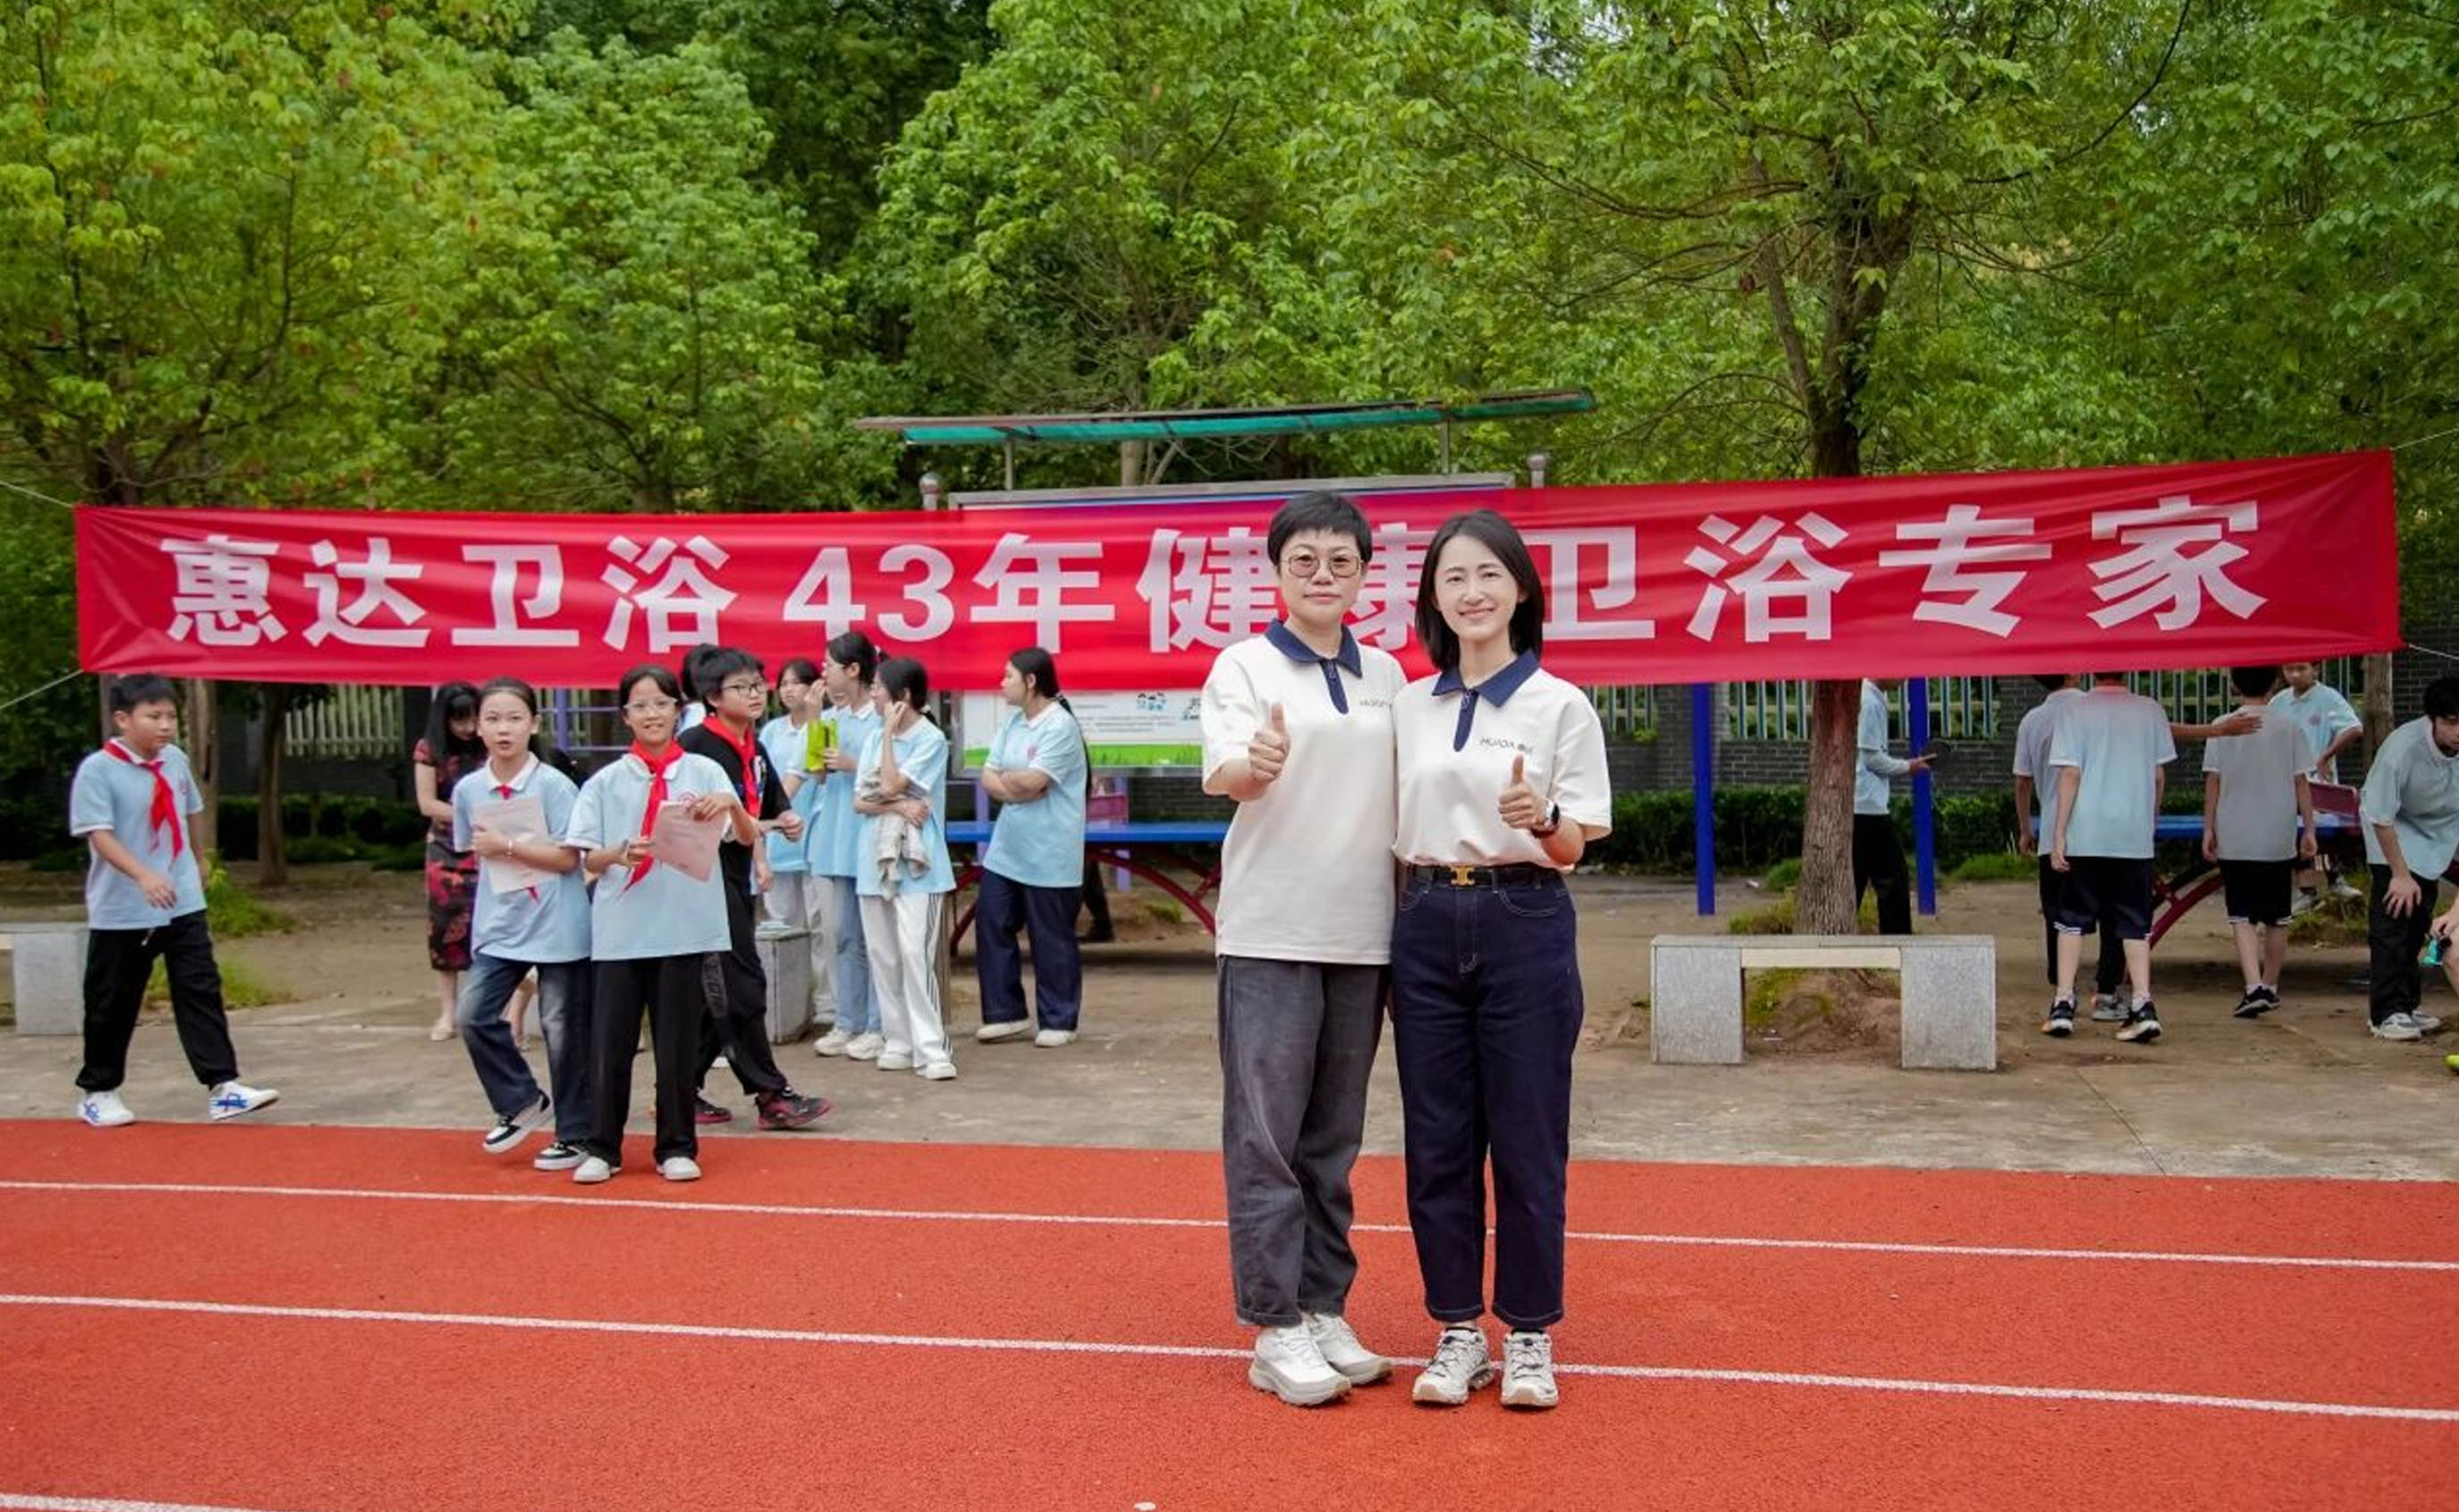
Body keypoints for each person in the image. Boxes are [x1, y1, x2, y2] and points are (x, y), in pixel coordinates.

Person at [1389, 508, 1611, 1413]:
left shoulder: (1561, 704)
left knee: (1526, 1138)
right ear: (1433, 598)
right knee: (1438, 1141)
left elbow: (1577, 846)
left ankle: (1526, 1335)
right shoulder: (1409, 704)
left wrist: (1542, 822)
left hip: (1524, 917)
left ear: (1521, 588)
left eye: (1488, 574)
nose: (1471, 592)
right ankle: (1453, 1331)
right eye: (1452, 578)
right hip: (1424, 916)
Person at [1200, 491, 1407, 1409]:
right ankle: (1274, 1324)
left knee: (1333, 1140)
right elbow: (1228, 773)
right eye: (1305, 561)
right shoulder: (1243, 666)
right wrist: (1259, 767)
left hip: (1365, 934)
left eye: (1341, 561)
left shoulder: (1391, 674)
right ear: (1277, 572)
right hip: (1272, 930)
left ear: (1366, 573)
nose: (1324, 576)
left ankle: (1325, 1304)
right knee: (1267, 1138)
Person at [562, 665, 759, 1184]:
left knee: (675, 1042)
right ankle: (602, 1146)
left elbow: (744, 836)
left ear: (678, 709)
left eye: (661, 704)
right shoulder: (605, 783)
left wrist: (733, 805)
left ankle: (676, 1143)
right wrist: (618, 853)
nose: (652, 714)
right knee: (612, 1043)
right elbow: (584, 857)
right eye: (640, 705)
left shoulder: (704, 772)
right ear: (626, 715)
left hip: (685, 926)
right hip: (622, 929)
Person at [69, 675, 280, 1128]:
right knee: (113, 1000)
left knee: (200, 988)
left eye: (171, 717)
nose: (165, 726)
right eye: (154, 716)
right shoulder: (98, 770)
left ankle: (223, 1086)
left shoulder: (175, 760)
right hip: (123, 909)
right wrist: (143, 874)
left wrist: (200, 860)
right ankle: (98, 1089)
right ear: (123, 719)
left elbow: (190, 812)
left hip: (180, 900)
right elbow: (99, 835)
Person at [678, 647, 830, 1130]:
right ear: (713, 697)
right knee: (741, 983)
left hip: (735, 875)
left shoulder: (755, 744)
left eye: (756, 684)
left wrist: (781, 821)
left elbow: (766, 802)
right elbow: (706, 820)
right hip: (699, 882)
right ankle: (770, 1093)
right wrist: (761, 826)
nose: (756, 693)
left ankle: (680, 1091)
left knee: (712, 993)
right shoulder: (697, 746)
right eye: (742, 688)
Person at [450, 677, 594, 1170]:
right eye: (492, 719)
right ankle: (520, 1100)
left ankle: (575, 1132)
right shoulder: (470, 789)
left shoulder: (554, 785)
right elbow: (473, 848)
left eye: (514, 718)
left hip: (558, 921)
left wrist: (508, 847)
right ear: (477, 728)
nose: (503, 729)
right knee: (473, 1015)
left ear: (533, 724)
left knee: (562, 1029)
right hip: (501, 922)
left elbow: (569, 858)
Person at [2044, 673, 2176, 1044]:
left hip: (2086, 832)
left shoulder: (2073, 711)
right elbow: (2159, 776)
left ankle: (2063, 1003)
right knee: (2136, 922)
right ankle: (2143, 1004)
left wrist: (2059, 833)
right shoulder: (2151, 710)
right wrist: (2148, 820)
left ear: (2090, 671)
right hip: (2132, 835)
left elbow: (2070, 773)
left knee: (2071, 919)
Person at [974, 646, 1090, 1048]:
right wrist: (1016, 784)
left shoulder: (1060, 726)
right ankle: (1005, 1012)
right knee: (991, 922)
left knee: (1051, 935)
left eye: (1008, 676)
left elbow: (1033, 782)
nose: (1001, 683)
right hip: (1007, 848)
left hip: (1050, 850)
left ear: (1031, 681)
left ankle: (1059, 1017)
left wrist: (1015, 784)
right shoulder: (1013, 725)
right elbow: (990, 777)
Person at [853, 656, 959, 1081]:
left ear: (905, 696)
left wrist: (888, 751)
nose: (874, 692)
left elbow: (891, 783)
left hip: (919, 865)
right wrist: (898, 803)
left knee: (915, 954)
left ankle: (932, 1047)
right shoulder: (874, 738)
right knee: (884, 954)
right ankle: (898, 1039)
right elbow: (863, 800)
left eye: (880, 687)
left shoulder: (931, 739)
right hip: (873, 860)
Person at [2202, 667, 2318, 1019]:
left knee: (2241, 915)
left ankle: (2252, 987)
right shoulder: (2289, 727)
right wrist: (2309, 828)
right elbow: (2302, 783)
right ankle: (2271, 985)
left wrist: (2209, 828)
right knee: (2278, 917)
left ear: (2234, 684)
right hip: (2278, 832)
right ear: (2276, 683)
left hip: (2235, 831)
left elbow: (2213, 782)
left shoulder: (2221, 726)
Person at [2013, 674, 2128, 1017]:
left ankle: (2062, 987)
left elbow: (2022, 781)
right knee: (2113, 913)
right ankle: (2107, 988)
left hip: (2054, 832)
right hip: (2105, 832)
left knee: (2060, 914)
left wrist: (2025, 828)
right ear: (2075, 672)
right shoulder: (2102, 711)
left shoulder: (2033, 720)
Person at [2357, 676, 2459, 1042]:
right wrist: (2400, 874)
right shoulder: (2402, 749)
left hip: (2437, 832)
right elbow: (2380, 814)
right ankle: (2385, 1012)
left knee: (2419, 920)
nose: (2458, 732)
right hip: (2390, 830)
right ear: (2432, 720)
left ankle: (2407, 1003)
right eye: (2451, 722)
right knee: (2393, 920)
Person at [808, 632, 885, 1061]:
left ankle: (877, 1023)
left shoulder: (880, 717)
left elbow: (888, 775)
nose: (824, 671)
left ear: (853, 670)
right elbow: (818, 774)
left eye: (830, 664)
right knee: (842, 936)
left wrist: (855, 765)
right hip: (837, 836)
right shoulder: (832, 717)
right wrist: (813, 718)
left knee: (874, 937)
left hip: (867, 835)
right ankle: (847, 1020)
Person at [758, 657, 833, 1028]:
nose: (788, 690)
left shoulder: (825, 725)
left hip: (814, 839)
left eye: (796, 683)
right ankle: (789, 1005)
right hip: (777, 842)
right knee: (783, 925)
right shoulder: (770, 732)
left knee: (820, 926)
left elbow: (815, 776)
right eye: (783, 683)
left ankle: (825, 1003)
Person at [413, 682, 484, 1041]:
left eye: (472, 718)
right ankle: (447, 1013)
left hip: (488, 847)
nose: (468, 727)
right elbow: (427, 804)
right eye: (460, 720)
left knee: (489, 928)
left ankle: (487, 1010)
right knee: (444, 930)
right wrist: (469, 814)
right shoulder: (429, 750)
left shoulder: (488, 745)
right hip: (446, 849)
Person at [2273, 660, 2366, 908]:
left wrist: (2327, 754)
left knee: (2321, 833)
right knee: (2294, 833)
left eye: (2301, 668)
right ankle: (2307, 890)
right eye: (2289, 669)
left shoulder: (2328, 698)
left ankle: (2335, 879)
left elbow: (2355, 728)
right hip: (2284, 781)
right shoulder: (2280, 701)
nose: (2294, 674)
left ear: (2316, 670)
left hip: (2317, 781)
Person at [1852, 677, 1933, 935]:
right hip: (1868, 805)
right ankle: (1896, 940)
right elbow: (1871, 757)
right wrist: (1909, 766)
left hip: (1862, 803)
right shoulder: (1870, 701)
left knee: (1858, 876)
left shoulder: (1869, 696)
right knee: (1892, 879)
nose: (1904, 677)